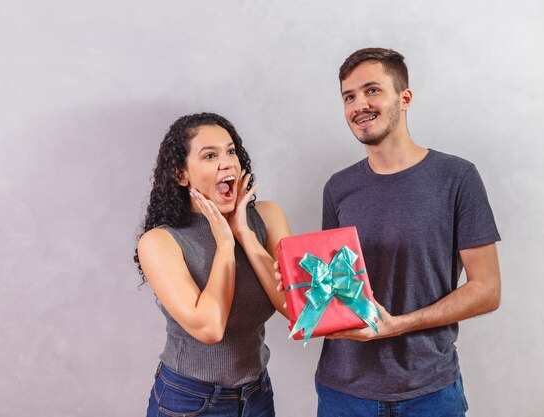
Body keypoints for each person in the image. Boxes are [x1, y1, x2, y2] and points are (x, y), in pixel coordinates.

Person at [296, 48, 501, 416]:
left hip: (429, 391)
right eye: (349, 96)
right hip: (343, 392)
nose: (359, 104)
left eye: (372, 90)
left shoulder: (457, 178)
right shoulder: (338, 187)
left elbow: (487, 291)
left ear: (404, 98)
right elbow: (341, 286)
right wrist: (303, 282)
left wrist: (397, 325)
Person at [135, 112, 289, 417]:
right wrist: (225, 243)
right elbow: (210, 327)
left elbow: (292, 305)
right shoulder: (159, 241)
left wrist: (245, 233)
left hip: (256, 396)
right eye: (210, 155)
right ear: (181, 175)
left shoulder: (268, 218)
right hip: (189, 401)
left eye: (231, 151)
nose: (227, 162)